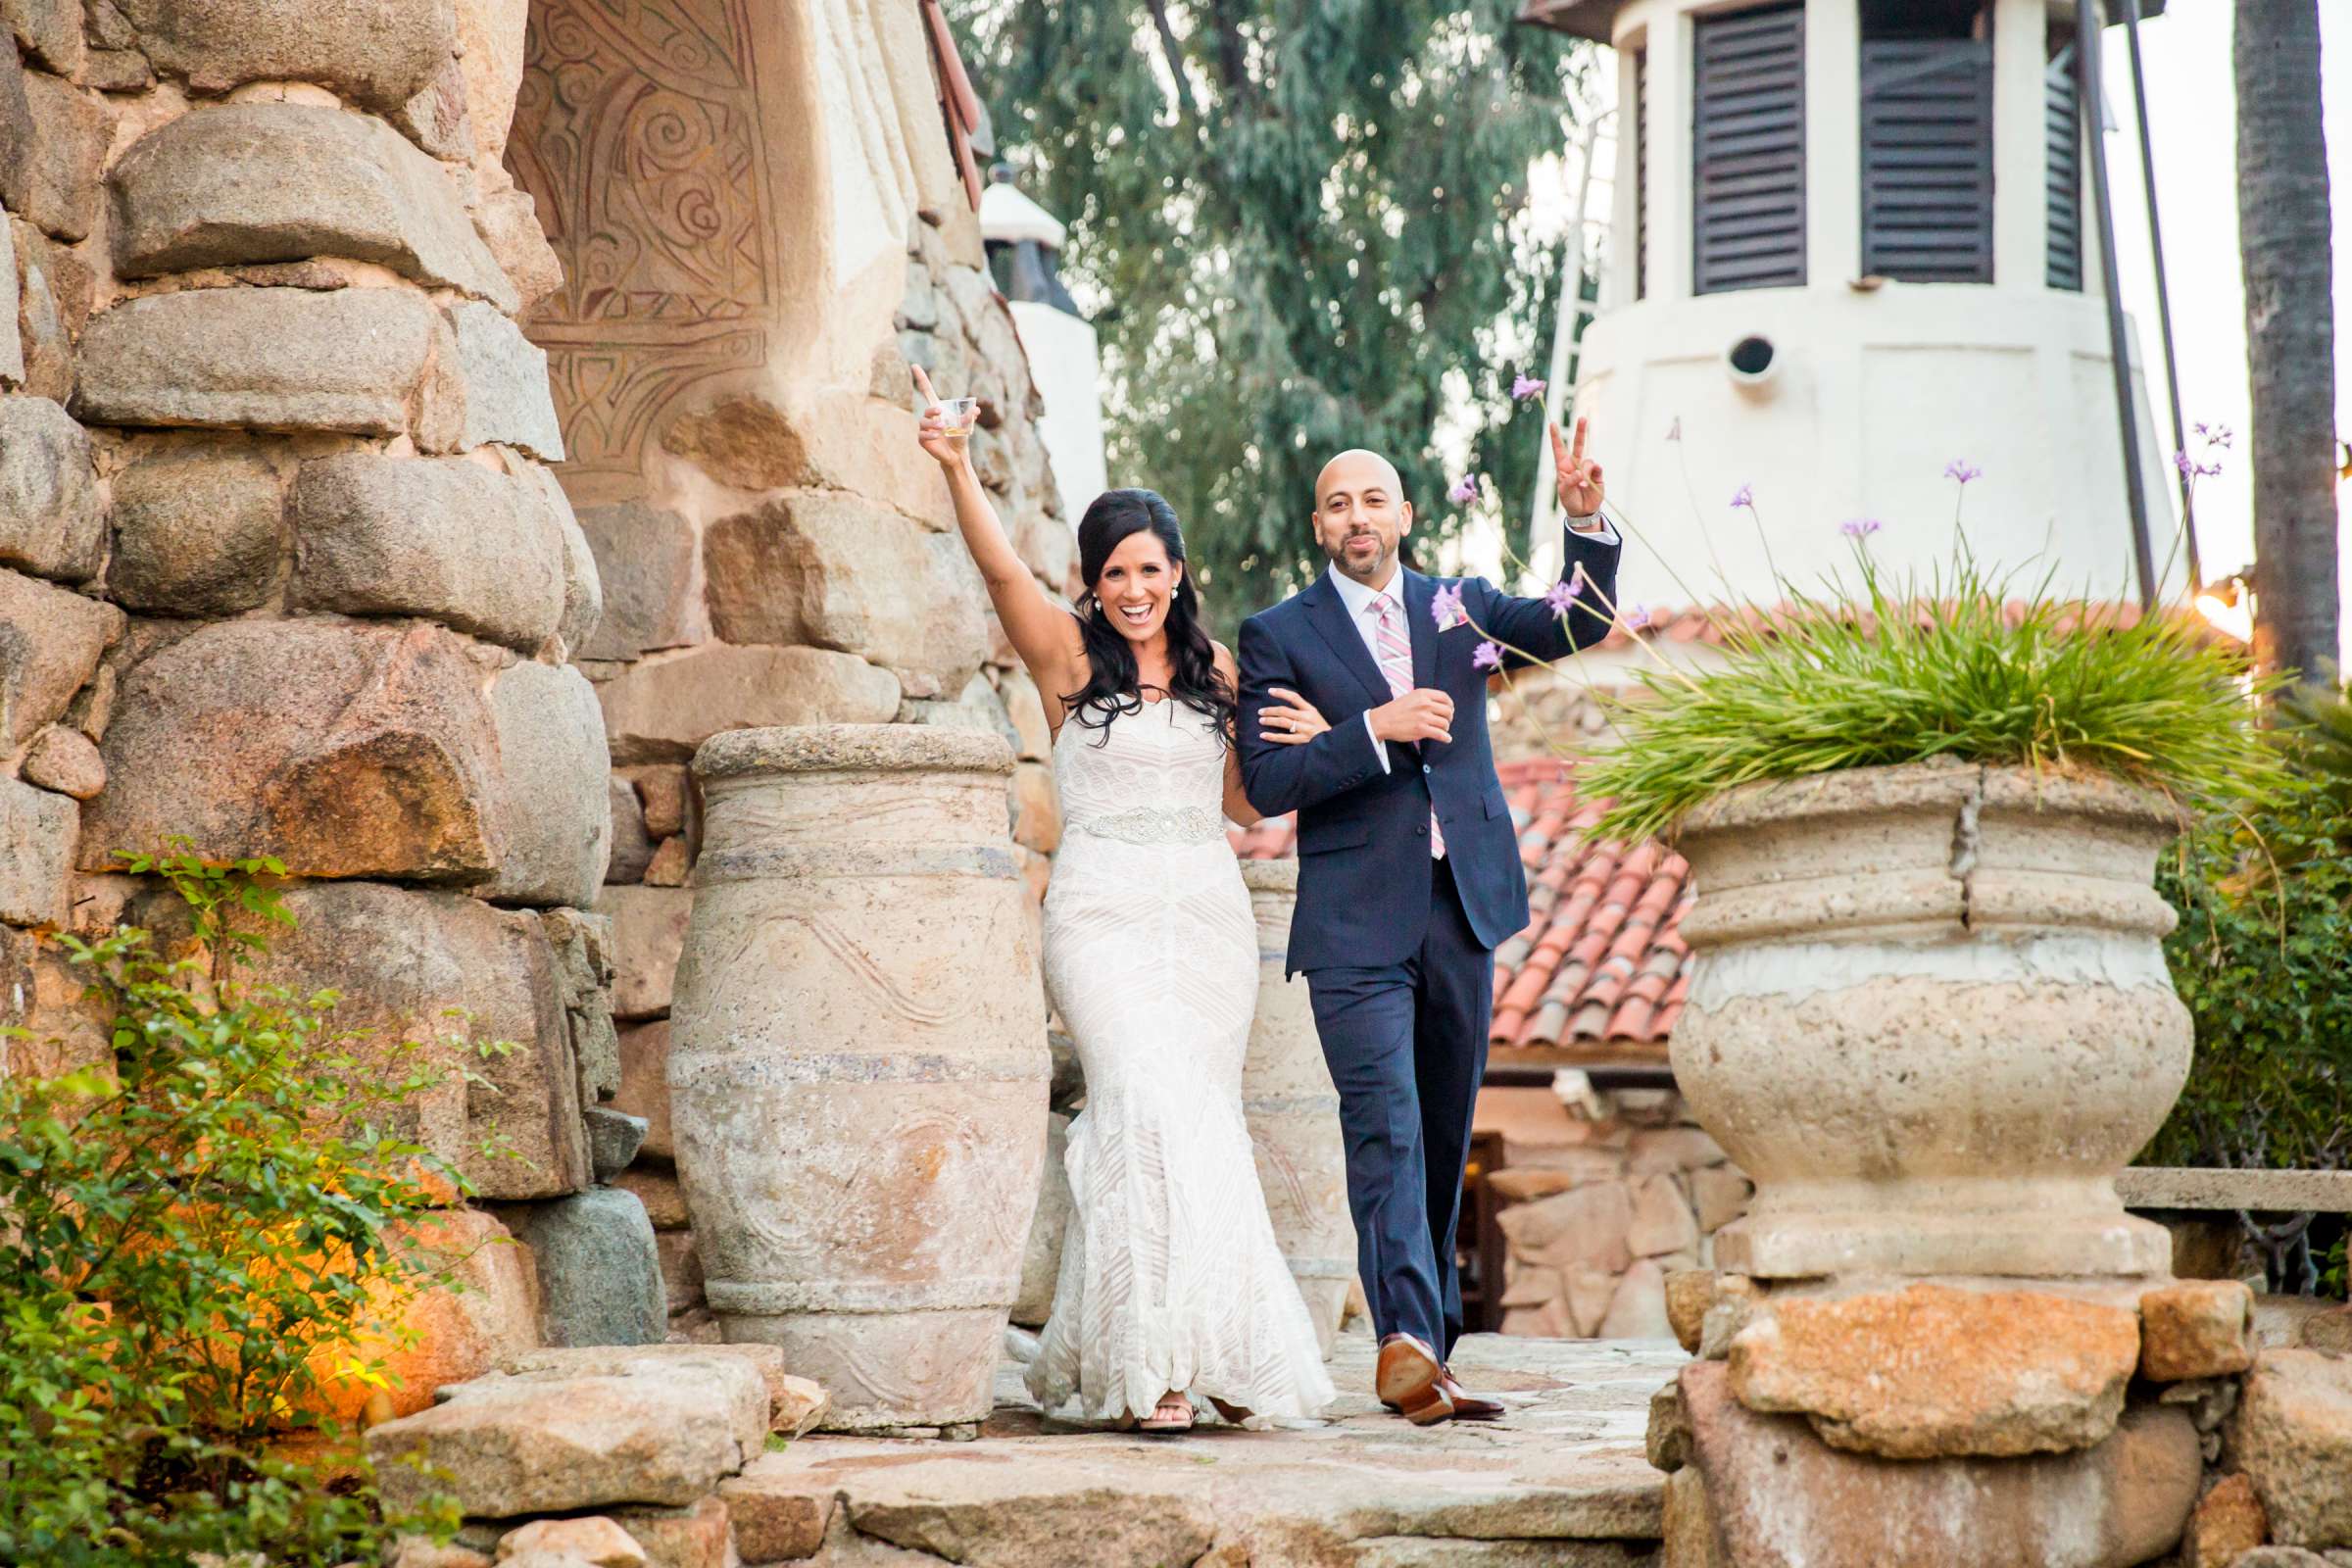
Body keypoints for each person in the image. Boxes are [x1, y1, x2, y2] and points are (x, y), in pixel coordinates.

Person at [911, 367, 1338, 1434]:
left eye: (1149, 568)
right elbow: (1001, 569)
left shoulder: (1221, 671)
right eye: (1114, 573)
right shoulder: (1066, 658)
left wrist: (1313, 746)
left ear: (1178, 573)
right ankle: (1154, 1369)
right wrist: (959, 464)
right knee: (1138, 1101)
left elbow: (1245, 803)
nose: (1133, 587)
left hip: (1202, 913)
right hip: (1100, 910)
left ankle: (1209, 1347)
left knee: (1197, 1117)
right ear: (1093, 584)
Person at [1234, 421, 1618, 1425]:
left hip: (1464, 907)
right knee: (1387, 1128)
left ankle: (1427, 1354)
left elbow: (1579, 624)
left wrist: (1585, 524)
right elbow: (1269, 782)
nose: (1358, 516)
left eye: (1375, 499)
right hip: (1355, 921)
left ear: (1405, 515)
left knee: (1444, 1132)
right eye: (1338, 503)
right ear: (1319, 525)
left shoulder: (1462, 608)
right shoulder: (1279, 632)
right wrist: (1373, 728)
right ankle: (1403, 1340)